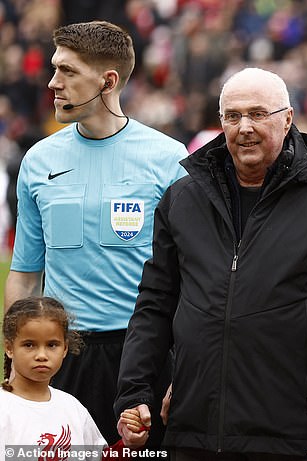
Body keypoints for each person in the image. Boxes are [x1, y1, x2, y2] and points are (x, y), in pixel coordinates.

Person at [114, 67, 307, 461]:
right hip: (191, 432)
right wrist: (134, 394)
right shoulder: (183, 198)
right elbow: (154, 304)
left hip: (288, 441)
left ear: (287, 119)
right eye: (232, 116)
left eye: (258, 114)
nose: (244, 127)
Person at [4, 20, 188, 450]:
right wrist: (12, 358)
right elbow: (26, 275)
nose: (53, 83)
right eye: (54, 69)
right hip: (66, 357)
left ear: (107, 81)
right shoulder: (38, 161)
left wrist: (188, 369)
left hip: (145, 359)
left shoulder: (167, 159)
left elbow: (196, 277)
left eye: (67, 71)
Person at [1, 296, 149, 460]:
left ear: (65, 348)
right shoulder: (4, 408)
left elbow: (100, 458)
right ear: (9, 348)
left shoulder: (72, 407)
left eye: (52, 345)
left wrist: (128, 444)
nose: (41, 355)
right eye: (29, 344)